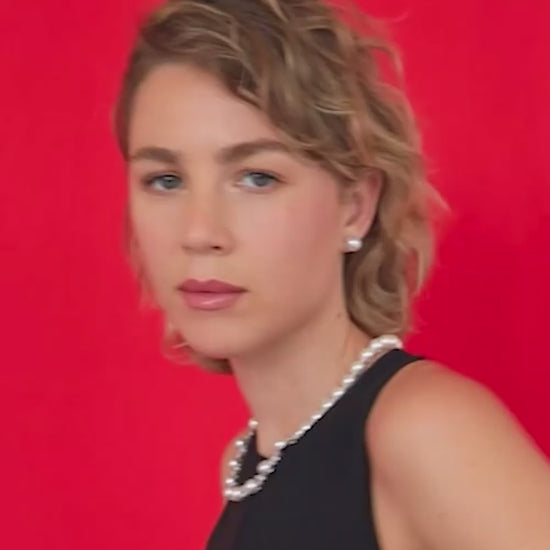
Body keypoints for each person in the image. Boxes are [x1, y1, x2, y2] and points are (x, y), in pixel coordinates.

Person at [111, 0, 550, 548]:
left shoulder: (422, 428)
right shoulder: (249, 463)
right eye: (166, 180)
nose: (199, 232)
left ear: (355, 207)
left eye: (257, 177)